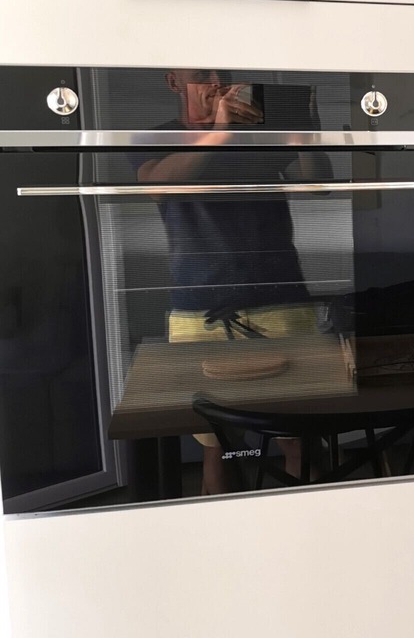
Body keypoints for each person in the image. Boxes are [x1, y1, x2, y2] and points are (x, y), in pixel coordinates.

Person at [134, 69, 331, 494]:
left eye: (224, 71)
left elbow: (319, 185)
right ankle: (221, 551)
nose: (218, 80)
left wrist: (303, 132)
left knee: (300, 440)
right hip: (197, 310)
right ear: (174, 81)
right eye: (203, 73)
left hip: (282, 301)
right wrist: (220, 133)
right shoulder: (155, 137)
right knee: (218, 447)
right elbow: (156, 183)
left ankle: (314, 542)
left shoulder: (262, 130)